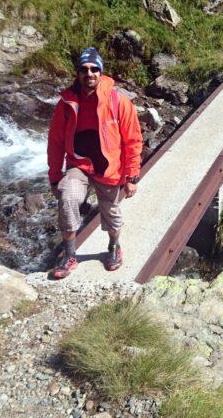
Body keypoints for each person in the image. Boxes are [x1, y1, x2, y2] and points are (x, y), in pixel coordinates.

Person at [46, 47, 143, 279]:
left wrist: (131, 177)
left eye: (94, 69)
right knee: (68, 199)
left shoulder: (119, 102)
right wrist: (54, 175)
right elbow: (56, 141)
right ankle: (69, 255)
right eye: (84, 69)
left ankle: (113, 247)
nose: (89, 73)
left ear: (101, 72)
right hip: (78, 165)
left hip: (108, 168)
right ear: (78, 73)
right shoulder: (66, 104)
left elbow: (133, 141)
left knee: (112, 213)